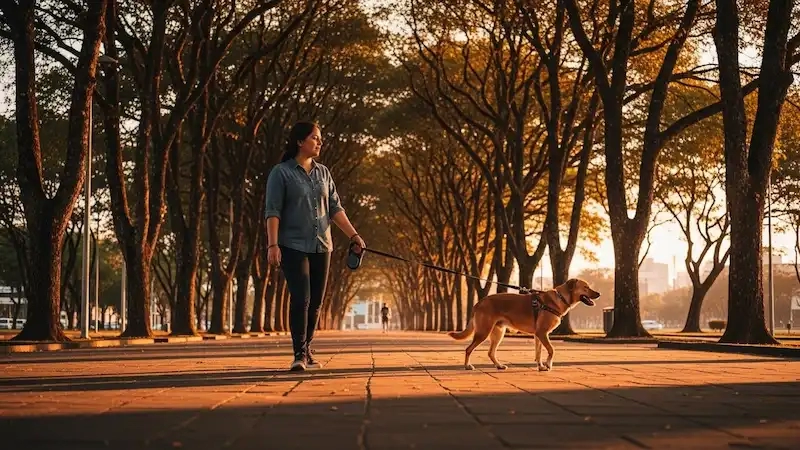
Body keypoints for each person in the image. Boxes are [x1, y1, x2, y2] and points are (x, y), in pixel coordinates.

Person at [265, 121, 366, 371]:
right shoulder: (281, 173)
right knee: (302, 298)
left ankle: (308, 348)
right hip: (292, 245)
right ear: (300, 141)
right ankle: (298, 354)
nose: (319, 142)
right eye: (314, 138)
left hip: (323, 245)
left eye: (320, 138)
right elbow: (272, 211)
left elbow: (335, 209)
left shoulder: (324, 173)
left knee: (317, 302)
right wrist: (273, 245)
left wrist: (354, 235)